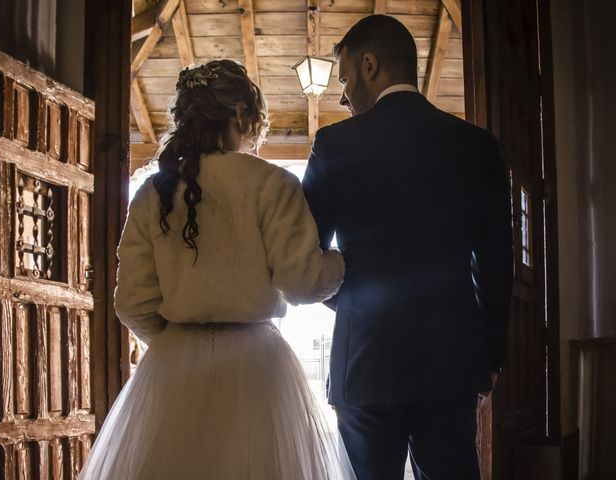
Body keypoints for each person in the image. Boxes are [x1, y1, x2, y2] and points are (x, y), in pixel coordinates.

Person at [79, 60, 355, 480]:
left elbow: (132, 302)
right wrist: (341, 262)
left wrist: (179, 341)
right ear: (243, 116)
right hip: (257, 366)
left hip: (175, 368)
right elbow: (303, 283)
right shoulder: (271, 183)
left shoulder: (154, 194)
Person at [302, 15, 514, 480]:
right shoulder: (475, 146)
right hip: (451, 362)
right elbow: (497, 261)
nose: (342, 95)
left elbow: (306, 259)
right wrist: (490, 353)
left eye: (345, 79)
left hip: (366, 363)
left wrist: (354, 302)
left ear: (370, 65)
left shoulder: (335, 145)